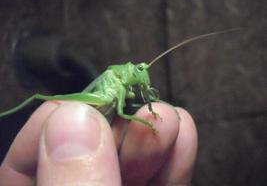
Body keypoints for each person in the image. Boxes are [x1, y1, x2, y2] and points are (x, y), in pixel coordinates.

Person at [0, 101, 197, 185]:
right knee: (45, 100)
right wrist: (147, 122)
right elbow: (120, 112)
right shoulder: (114, 77)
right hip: (88, 106)